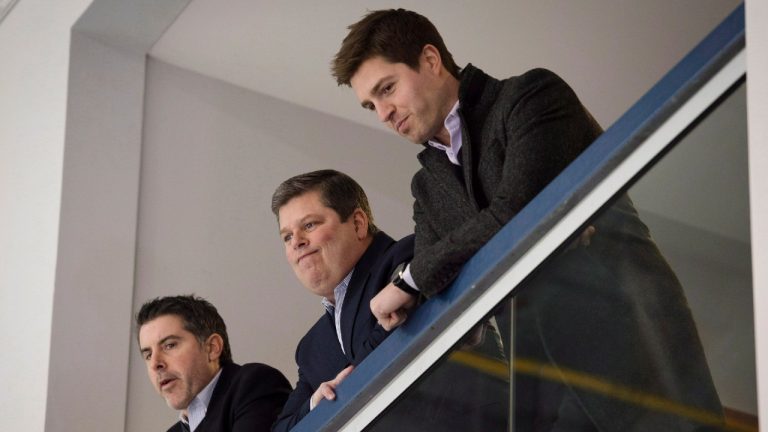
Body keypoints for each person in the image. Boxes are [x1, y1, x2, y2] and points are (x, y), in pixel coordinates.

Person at [332, 9, 725, 431]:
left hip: (634, 358)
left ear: (430, 60)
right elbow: (438, 299)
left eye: (387, 89)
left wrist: (410, 277)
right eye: (371, 105)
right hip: (542, 397)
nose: (384, 113)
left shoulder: (531, 97)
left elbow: (518, 214)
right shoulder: (426, 189)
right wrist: (355, 380)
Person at [270, 169, 414, 431]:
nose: (297, 243)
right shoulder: (311, 348)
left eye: (309, 225)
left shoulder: (405, 259)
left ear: (358, 224)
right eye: (287, 237)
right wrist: (316, 403)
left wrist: (343, 389)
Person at [136, 295, 291, 432]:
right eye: (148, 355)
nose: (155, 363)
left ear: (212, 348)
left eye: (169, 345)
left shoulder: (255, 384)